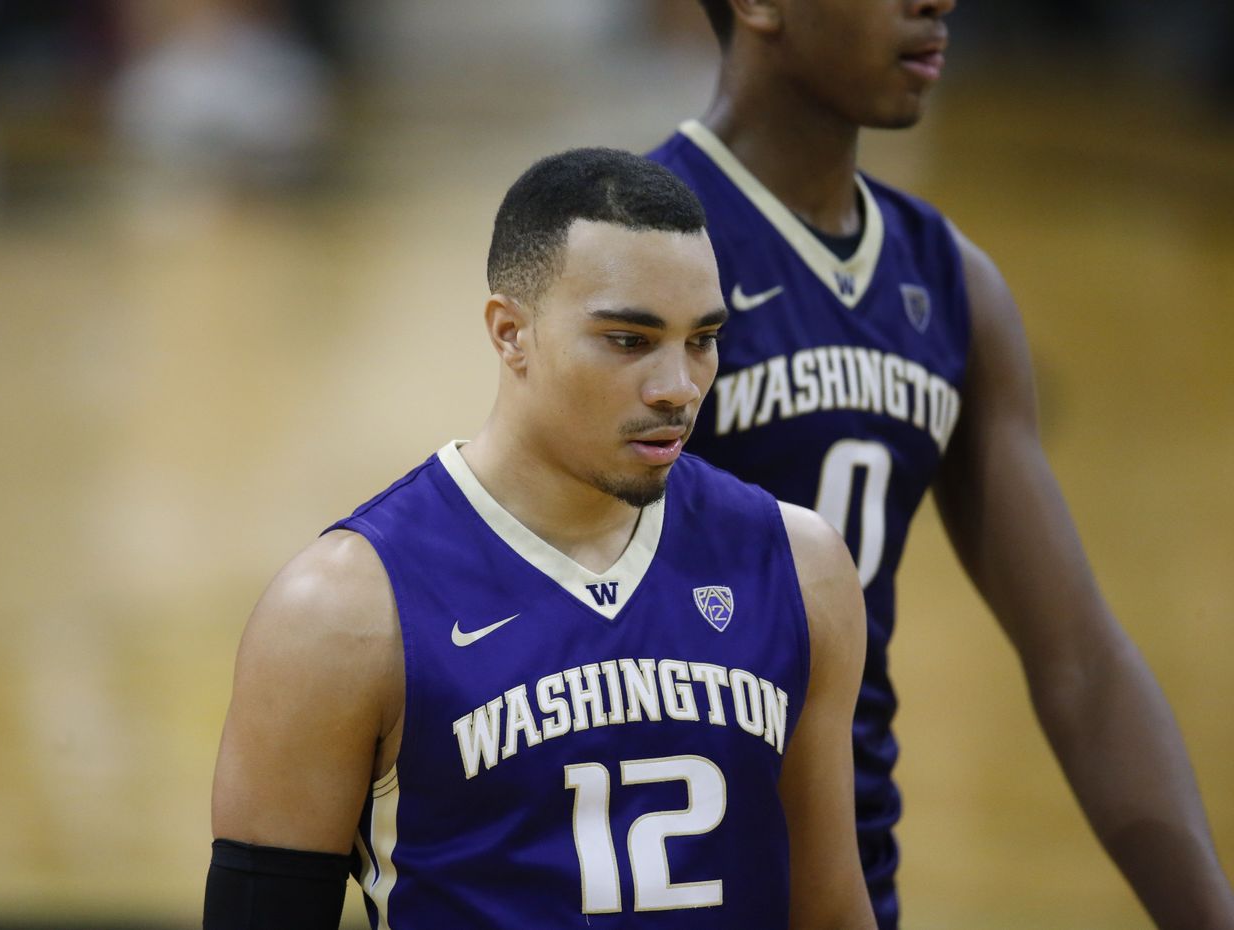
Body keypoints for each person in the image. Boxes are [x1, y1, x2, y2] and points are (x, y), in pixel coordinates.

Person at [647, 3, 1234, 929]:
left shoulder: (954, 283)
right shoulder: (633, 253)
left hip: (851, 879)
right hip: (656, 878)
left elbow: (1079, 661)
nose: (937, 2)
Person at [204, 147, 878, 930]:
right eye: (630, 340)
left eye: (701, 339)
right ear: (510, 332)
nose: (679, 387)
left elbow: (830, 907)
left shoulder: (801, 567)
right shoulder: (340, 611)